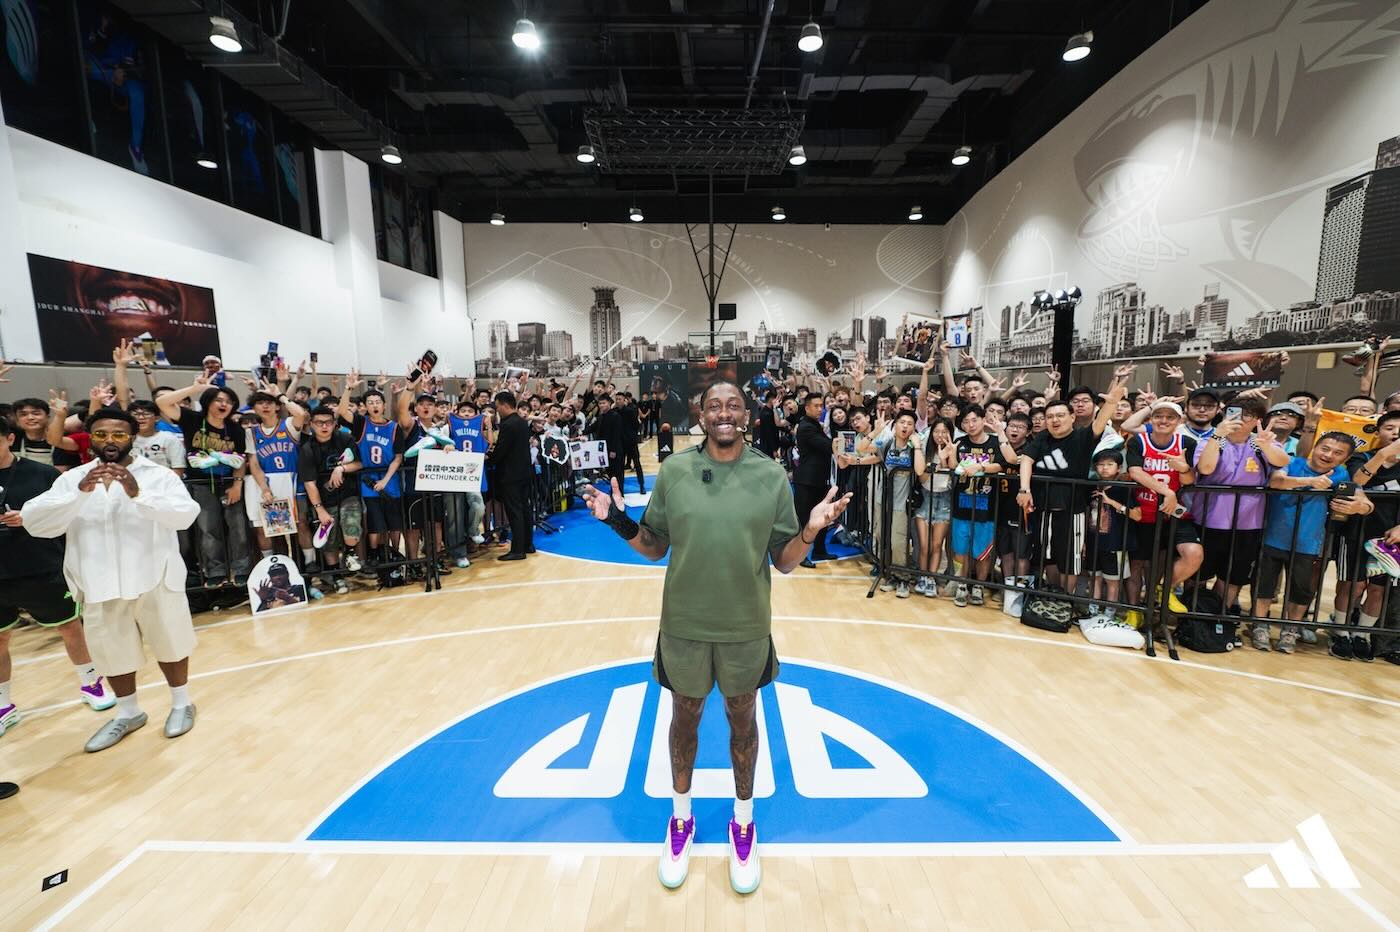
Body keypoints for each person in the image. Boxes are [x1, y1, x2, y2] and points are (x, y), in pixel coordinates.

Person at [580, 380, 850, 895]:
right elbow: (655, 547)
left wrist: (812, 529)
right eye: (714, 406)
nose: (723, 413)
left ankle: (742, 821)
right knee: (685, 719)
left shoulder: (771, 476)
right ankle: (680, 818)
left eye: (733, 406)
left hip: (745, 624)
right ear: (700, 415)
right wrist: (615, 519)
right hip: (684, 622)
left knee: (742, 721)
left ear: (746, 414)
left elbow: (786, 561)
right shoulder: (675, 472)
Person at [21, 408, 201, 751]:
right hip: (98, 579)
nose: (110, 441)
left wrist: (138, 494)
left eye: (118, 435)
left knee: (170, 641)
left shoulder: (158, 476)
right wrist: (80, 494)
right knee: (111, 651)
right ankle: (128, 712)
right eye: (101, 434)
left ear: (131, 437)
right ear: (91, 438)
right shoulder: (72, 479)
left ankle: (181, 703)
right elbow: (37, 523)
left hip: (154, 575)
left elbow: (185, 516)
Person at [1, 414, 117, 739]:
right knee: (0, 639)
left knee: (70, 628)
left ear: (10, 439)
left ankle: (91, 682)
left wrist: (27, 519)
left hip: (40, 565)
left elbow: (63, 512)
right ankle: (3, 705)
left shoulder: (41, 473)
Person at [1253, 433, 1369, 654]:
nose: (1328, 455)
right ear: (1315, 447)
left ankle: (1290, 630)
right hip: (1273, 537)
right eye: (1325, 448)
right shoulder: (1291, 462)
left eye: (1338, 453)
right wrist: (1310, 482)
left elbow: (1362, 498)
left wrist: (1360, 507)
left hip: (1308, 543)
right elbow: (1276, 481)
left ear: (1345, 458)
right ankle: (1260, 626)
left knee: (1301, 590)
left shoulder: (1340, 474)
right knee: (1264, 587)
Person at [1017, 372, 1128, 600]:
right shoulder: (1042, 438)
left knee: (1071, 560)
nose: (1055, 420)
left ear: (1072, 417)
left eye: (1060, 415)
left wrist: (1112, 402)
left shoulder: (1082, 437)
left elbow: (1099, 423)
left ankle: (1066, 601)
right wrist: (1024, 489)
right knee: (1048, 556)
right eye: (1050, 417)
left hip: (1073, 509)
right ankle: (1051, 595)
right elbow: (1027, 460)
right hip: (1043, 507)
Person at [1192, 398, 1290, 613]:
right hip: (1209, 518)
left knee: (1233, 574)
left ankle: (1220, 617)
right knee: (1200, 571)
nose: (1240, 418)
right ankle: (1192, 614)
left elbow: (1282, 461)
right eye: (1235, 412)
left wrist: (1265, 444)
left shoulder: (1261, 441)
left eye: (1248, 414)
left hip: (1248, 522)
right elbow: (1206, 468)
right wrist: (1218, 435)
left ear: (1257, 420)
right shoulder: (1212, 440)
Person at [157, 375, 250, 587]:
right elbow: (162, 403)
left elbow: (240, 460)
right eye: (219, 399)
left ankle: (241, 570)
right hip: (200, 483)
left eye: (228, 401)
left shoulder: (235, 429)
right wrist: (193, 388)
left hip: (228, 482)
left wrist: (237, 485)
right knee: (208, 529)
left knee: (238, 528)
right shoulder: (192, 420)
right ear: (208, 401)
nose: (224, 404)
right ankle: (215, 571)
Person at [1124, 401, 1203, 615]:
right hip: (1143, 512)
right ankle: (1134, 611)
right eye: (1159, 416)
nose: (1164, 421)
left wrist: (1184, 468)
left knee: (1187, 554)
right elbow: (1135, 472)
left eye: (1170, 417)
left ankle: (1161, 592)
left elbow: (1189, 480)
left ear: (1179, 421)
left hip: (1174, 515)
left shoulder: (1186, 442)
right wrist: (1166, 491)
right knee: (1137, 563)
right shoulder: (1138, 441)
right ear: (1151, 419)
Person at [338, 372, 405, 579]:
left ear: (383, 405)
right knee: (375, 522)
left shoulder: (394, 427)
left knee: (395, 522)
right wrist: (348, 388)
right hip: (368, 480)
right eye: (370, 402)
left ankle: (395, 553)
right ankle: (375, 554)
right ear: (365, 406)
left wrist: (385, 480)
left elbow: (398, 457)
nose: (374, 405)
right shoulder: (361, 424)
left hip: (390, 479)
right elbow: (342, 411)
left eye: (378, 401)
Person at [299, 406, 364, 595]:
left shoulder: (345, 439)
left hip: (348, 494)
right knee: (330, 541)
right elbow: (310, 483)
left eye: (328, 422)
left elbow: (359, 463)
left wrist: (341, 468)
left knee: (351, 526)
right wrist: (319, 509)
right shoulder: (307, 450)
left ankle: (351, 554)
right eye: (319, 423)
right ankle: (337, 576)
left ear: (335, 424)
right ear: (311, 424)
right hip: (324, 499)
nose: (324, 426)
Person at [948, 404, 1001, 606]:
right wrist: (952, 453)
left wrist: (981, 466)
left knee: (983, 551)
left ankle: (979, 586)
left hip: (986, 507)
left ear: (982, 419)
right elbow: (953, 467)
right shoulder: (959, 442)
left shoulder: (995, 442)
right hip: (961, 504)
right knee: (960, 548)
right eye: (966, 422)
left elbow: (1002, 464)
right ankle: (962, 585)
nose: (970, 425)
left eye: (974, 420)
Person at [1083, 449, 1139, 625]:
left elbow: (1138, 515)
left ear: (1119, 467)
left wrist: (1112, 502)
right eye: (1100, 464)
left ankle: (1109, 614)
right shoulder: (1091, 487)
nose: (1104, 468)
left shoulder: (1124, 489)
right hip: (1094, 542)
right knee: (1095, 578)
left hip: (1115, 544)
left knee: (1113, 582)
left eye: (1109, 464)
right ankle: (1093, 612)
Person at [487, 391, 534, 561]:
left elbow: (502, 450)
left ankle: (517, 549)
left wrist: (489, 458)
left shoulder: (508, 424)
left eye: (497, 405)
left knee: (515, 512)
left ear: (504, 405)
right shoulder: (521, 422)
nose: (497, 409)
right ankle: (528, 544)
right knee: (524, 510)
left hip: (511, 475)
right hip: (524, 473)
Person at [793, 393, 835, 566]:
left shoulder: (814, 424)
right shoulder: (806, 427)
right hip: (807, 481)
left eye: (821, 406)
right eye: (816, 406)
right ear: (807, 407)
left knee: (823, 516)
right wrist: (843, 444)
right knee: (804, 520)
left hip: (818, 479)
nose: (820, 409)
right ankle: (800, 556)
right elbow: (827, 446)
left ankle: (819, 550)